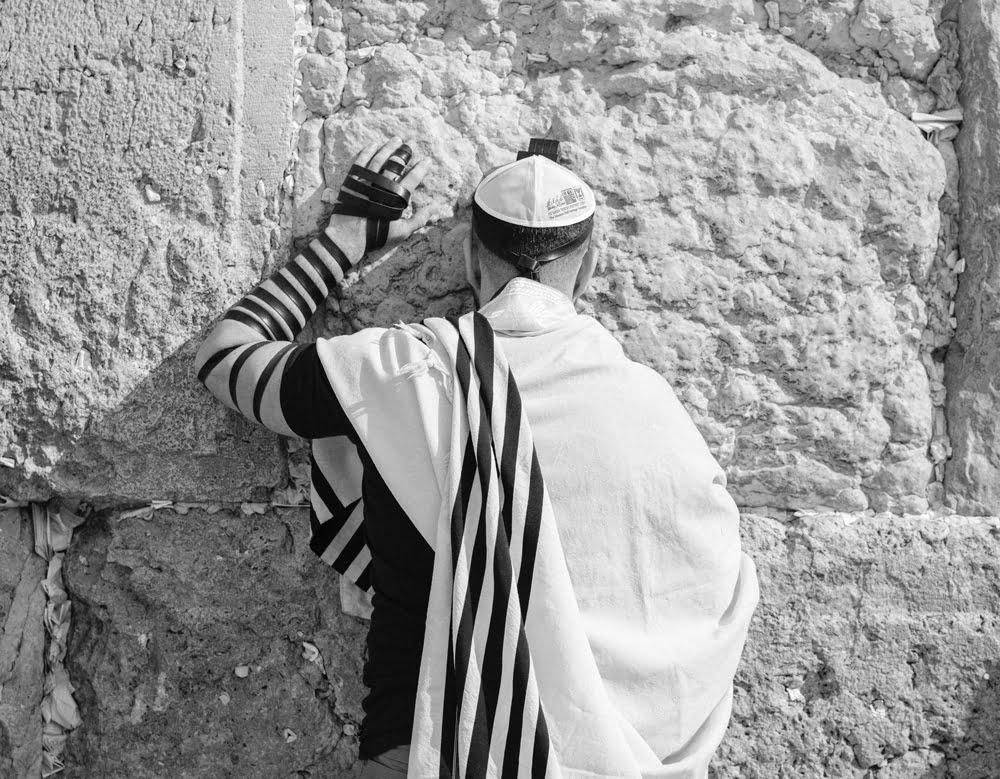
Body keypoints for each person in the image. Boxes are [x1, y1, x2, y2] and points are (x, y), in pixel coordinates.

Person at [194, 136, 760, 778]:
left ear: (469, 256)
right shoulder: (654, 412)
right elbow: (711, 591)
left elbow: (225, 358)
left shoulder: (404, 374)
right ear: (591, 264)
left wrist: (345, 239)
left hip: (427, 752)